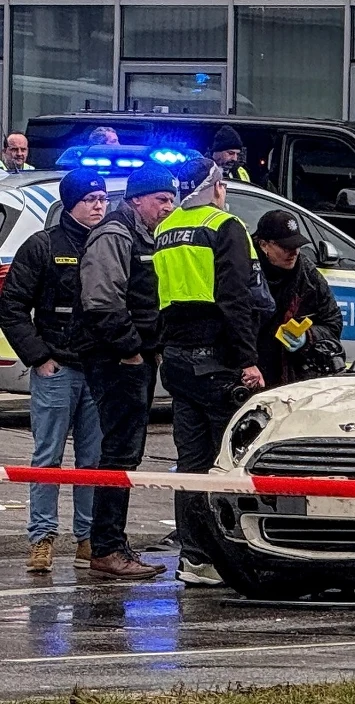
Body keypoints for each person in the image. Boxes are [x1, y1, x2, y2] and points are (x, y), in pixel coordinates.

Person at [153, 158, 264, 586]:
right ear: (216, 185)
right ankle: (227, 554)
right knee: (226, 462)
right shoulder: (225, 226)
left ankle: (194, 556)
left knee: (191, 463)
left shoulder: (166, 229)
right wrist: (248, 359)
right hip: (217, 358)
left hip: (178, 358)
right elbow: (236, 299)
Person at [0, 169, 107, 573]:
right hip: (56, 370)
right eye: (90, 200)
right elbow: (11, 308)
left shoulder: (110, 243)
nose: (98, 206)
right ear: (71, 203)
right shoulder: (43, 246)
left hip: (97, 369)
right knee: (47, 457)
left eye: (102, 199)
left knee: (93, 460)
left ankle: (89, 539)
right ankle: (42, 539)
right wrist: (39, 357)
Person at [75, 164, 178, 580]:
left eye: (171, 199)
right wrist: (132, 351)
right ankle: (107, 547)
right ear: (138, 200)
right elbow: (101, 301)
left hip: (130, 355)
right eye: (161, 200)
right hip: (115, 358)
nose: (168, 207)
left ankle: (110, 544)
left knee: (124, 452)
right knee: (118, 452)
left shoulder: (143, 235)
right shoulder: (116, 234)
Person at [252, 210, 344, 387]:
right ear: (264, 245)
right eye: (286, 247)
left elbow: (333, 323)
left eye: (297, 246)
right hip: (252, 369)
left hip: (291, 373)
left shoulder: (307, 274)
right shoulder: (245, 270)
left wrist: (308, 337)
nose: (294, 253)